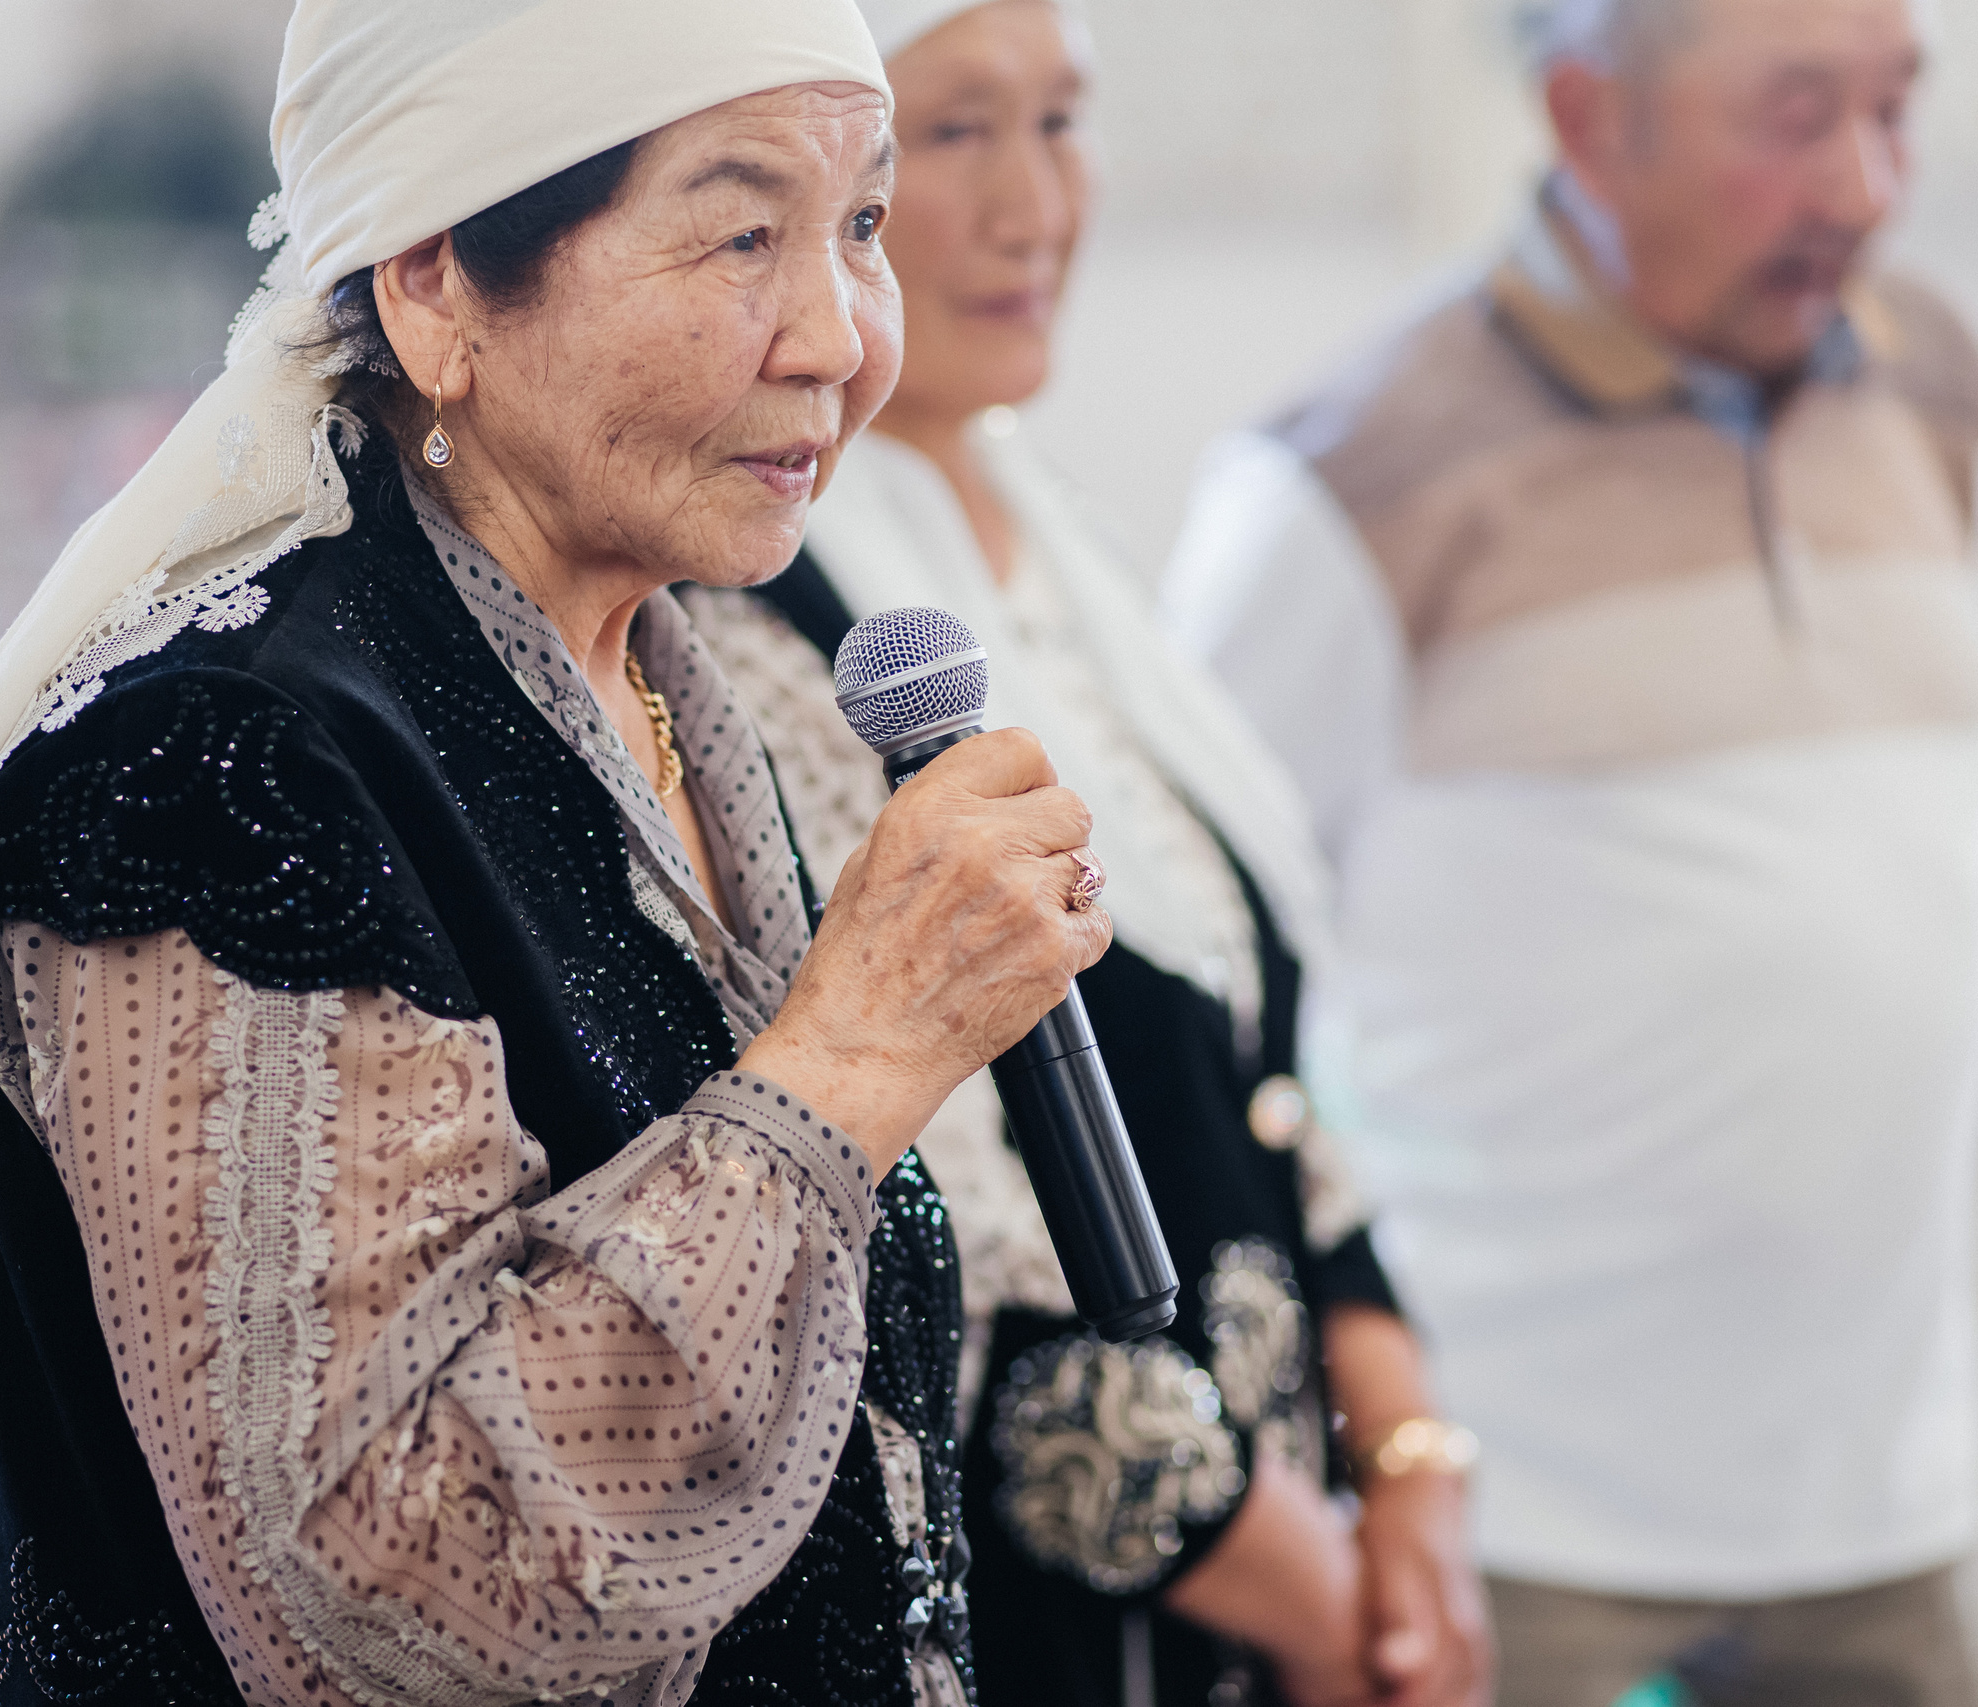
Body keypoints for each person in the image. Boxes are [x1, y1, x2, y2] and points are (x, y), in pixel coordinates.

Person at [0, 4, 1118, 1703]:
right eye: (741, 236)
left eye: (859, 224)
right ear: (435, 288)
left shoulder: (680, 696)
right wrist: (858, 1051)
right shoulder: (216, 771)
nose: (842, 336)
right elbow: (388, 1583)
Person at [1162, 2, 1978, 1704]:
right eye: (1796, 116)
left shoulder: (1929, 375)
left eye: (1895, 109)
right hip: (1526, 1515)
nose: (1865, 185)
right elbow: (1192, 973)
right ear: (1587, 115)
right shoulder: (1348, 473)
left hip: (1887, 1494)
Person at [682, 5, 1493, 1704]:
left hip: (1287, 1546)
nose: (1032, 204)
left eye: (1061, 122)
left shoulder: (1061, 547)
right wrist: (1335, 1611)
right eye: (948, 139)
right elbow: (959, 1259)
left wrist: (1411, 1456)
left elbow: (1270, 1063)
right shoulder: (767, 618)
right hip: (1079, 1611)